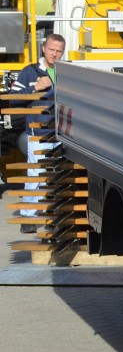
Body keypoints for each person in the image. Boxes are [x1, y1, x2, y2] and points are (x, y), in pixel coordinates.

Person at [13, 33, 65, 233]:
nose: (54, 54)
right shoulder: (29, 72)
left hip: (61, 132)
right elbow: (14, 99)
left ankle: (57, 215)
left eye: (58, 51)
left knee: (60, 174)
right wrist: (35, 87)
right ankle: (28, 217)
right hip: (39, 132)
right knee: (36, 173)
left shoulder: (65, 71)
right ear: (44, 48)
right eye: (51, 49)